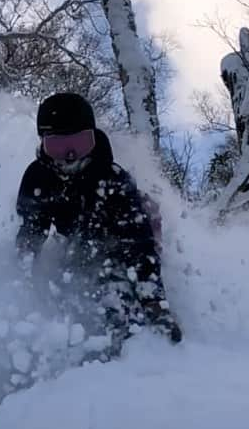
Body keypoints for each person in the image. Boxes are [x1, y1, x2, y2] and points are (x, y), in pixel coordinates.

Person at [15, 93, 182, 357]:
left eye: (79, 143)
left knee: (115, 289)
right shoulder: (38, 178)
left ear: (93, 139)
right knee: (78, 279)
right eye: (58, 146)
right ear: (43, 144)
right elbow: (32, 231)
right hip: (80, 243)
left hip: (124, 241)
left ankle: (134, 352)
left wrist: (153, 300)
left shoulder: (113, 179)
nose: (69, 156)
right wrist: (23, 274)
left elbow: (140, 244)